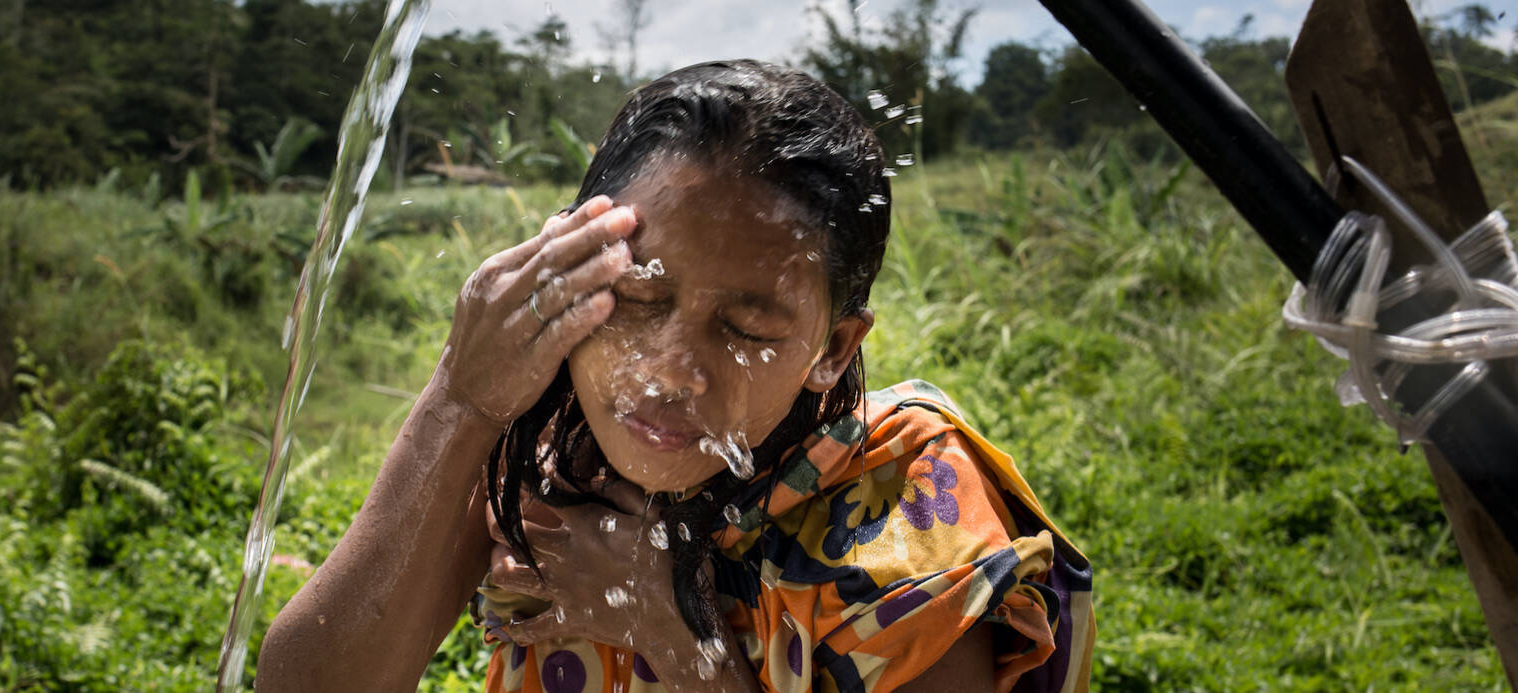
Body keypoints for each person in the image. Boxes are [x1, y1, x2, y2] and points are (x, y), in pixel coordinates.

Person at [256, 59, 1092, 693]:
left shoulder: (910, 517)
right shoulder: (547, 443)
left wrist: (677, 640)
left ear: (834, 348)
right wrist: (460, 394)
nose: (668, 372)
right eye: (636, 296)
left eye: (746, 328)